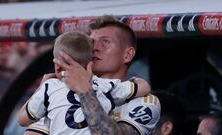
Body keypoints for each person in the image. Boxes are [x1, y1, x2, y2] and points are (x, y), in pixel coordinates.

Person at [24, 15, 161, 135]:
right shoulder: (61, 89)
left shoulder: (144, 100)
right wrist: (40, 93)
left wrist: (85, 91)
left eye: (105, 42)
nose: (94, 48)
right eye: (92, 42)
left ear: (127, 55)